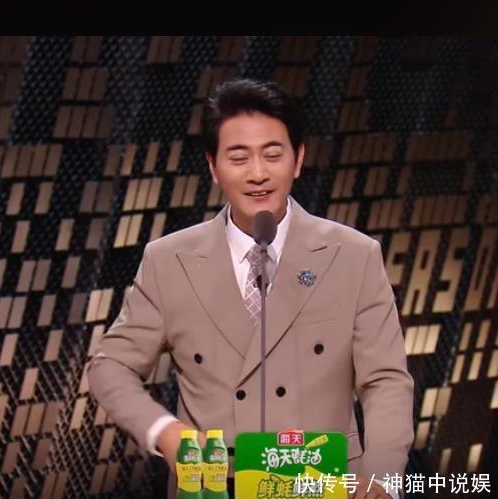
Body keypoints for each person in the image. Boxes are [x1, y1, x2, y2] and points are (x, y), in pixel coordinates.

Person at [87, 78, 414, 499]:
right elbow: (110, 365)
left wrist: (383, 476)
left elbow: (385, 379)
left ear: (298, 159)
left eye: (272, 155)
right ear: (213, 166)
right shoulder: (169, 261)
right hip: (212, 486)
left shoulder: (353, 255)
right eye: (239, 158)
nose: (258, 173)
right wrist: (166, 432)